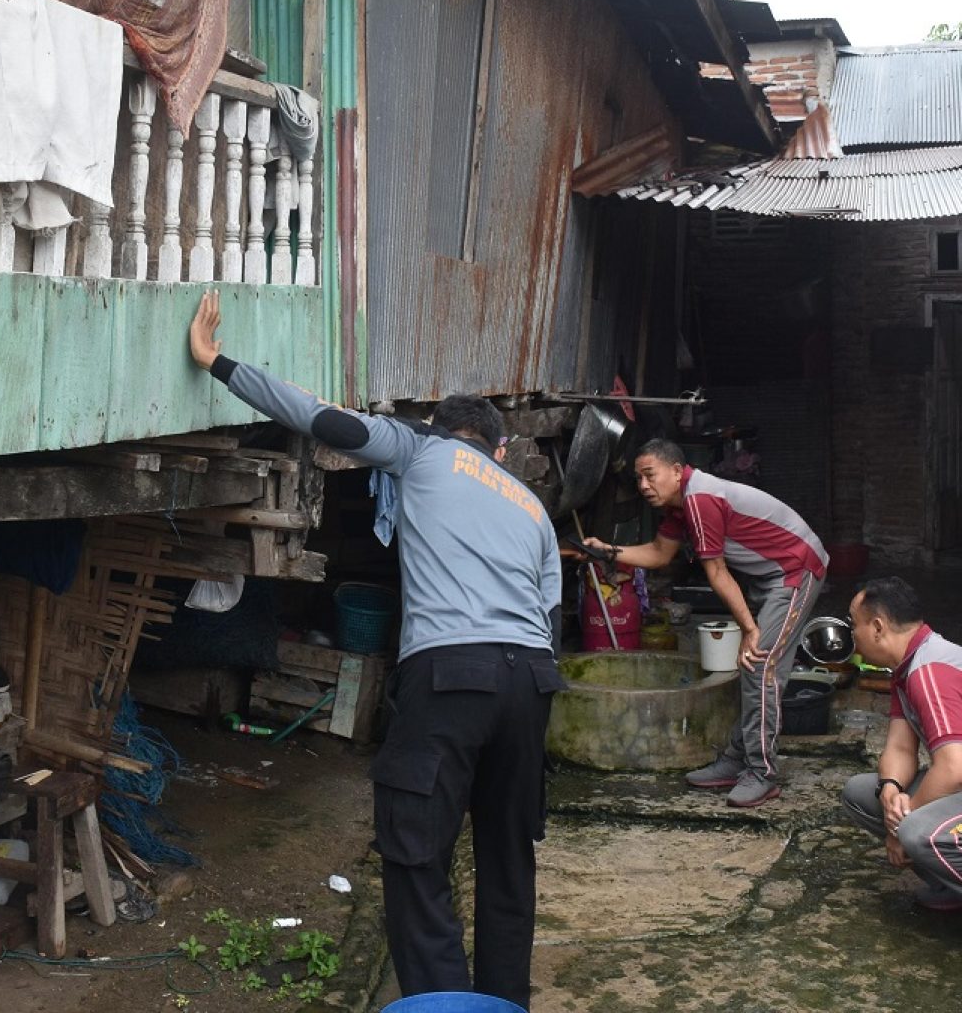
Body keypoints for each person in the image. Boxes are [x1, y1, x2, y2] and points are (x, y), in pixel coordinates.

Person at [188, 291, 564, 1011]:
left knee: (417, 851)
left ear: (446, 430)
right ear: (502, 448)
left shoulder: (423, 448)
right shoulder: (530, 506)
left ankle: (444, 1005)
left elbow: (321, 418)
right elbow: (548, 616)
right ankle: (503, 1004)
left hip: (454, 673)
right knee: (508, 864)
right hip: (531, 683)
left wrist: (218, 363)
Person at [584, 438, 827, 808]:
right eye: (639, 479)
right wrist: (608, 551)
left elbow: (716, 571)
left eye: (650, 475)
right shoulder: (681, 506)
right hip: (770, 576)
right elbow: (659, 554)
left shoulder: (700, 499)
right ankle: (735, 759)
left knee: (758, 665)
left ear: (677, 471)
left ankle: (763, 773)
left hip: (796, 570)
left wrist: (749, 630)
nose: (644, 486)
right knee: (754, 668)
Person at [840, 576, 962, 912]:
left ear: (877, 627)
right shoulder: (906, 668)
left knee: (917, 831)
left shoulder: (930, 671)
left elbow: (953, 768)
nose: (853, 634)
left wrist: (900, 826)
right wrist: (892, 790)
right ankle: (950, 886)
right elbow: (900, 748)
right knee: (863, 793)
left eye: (855, 625)